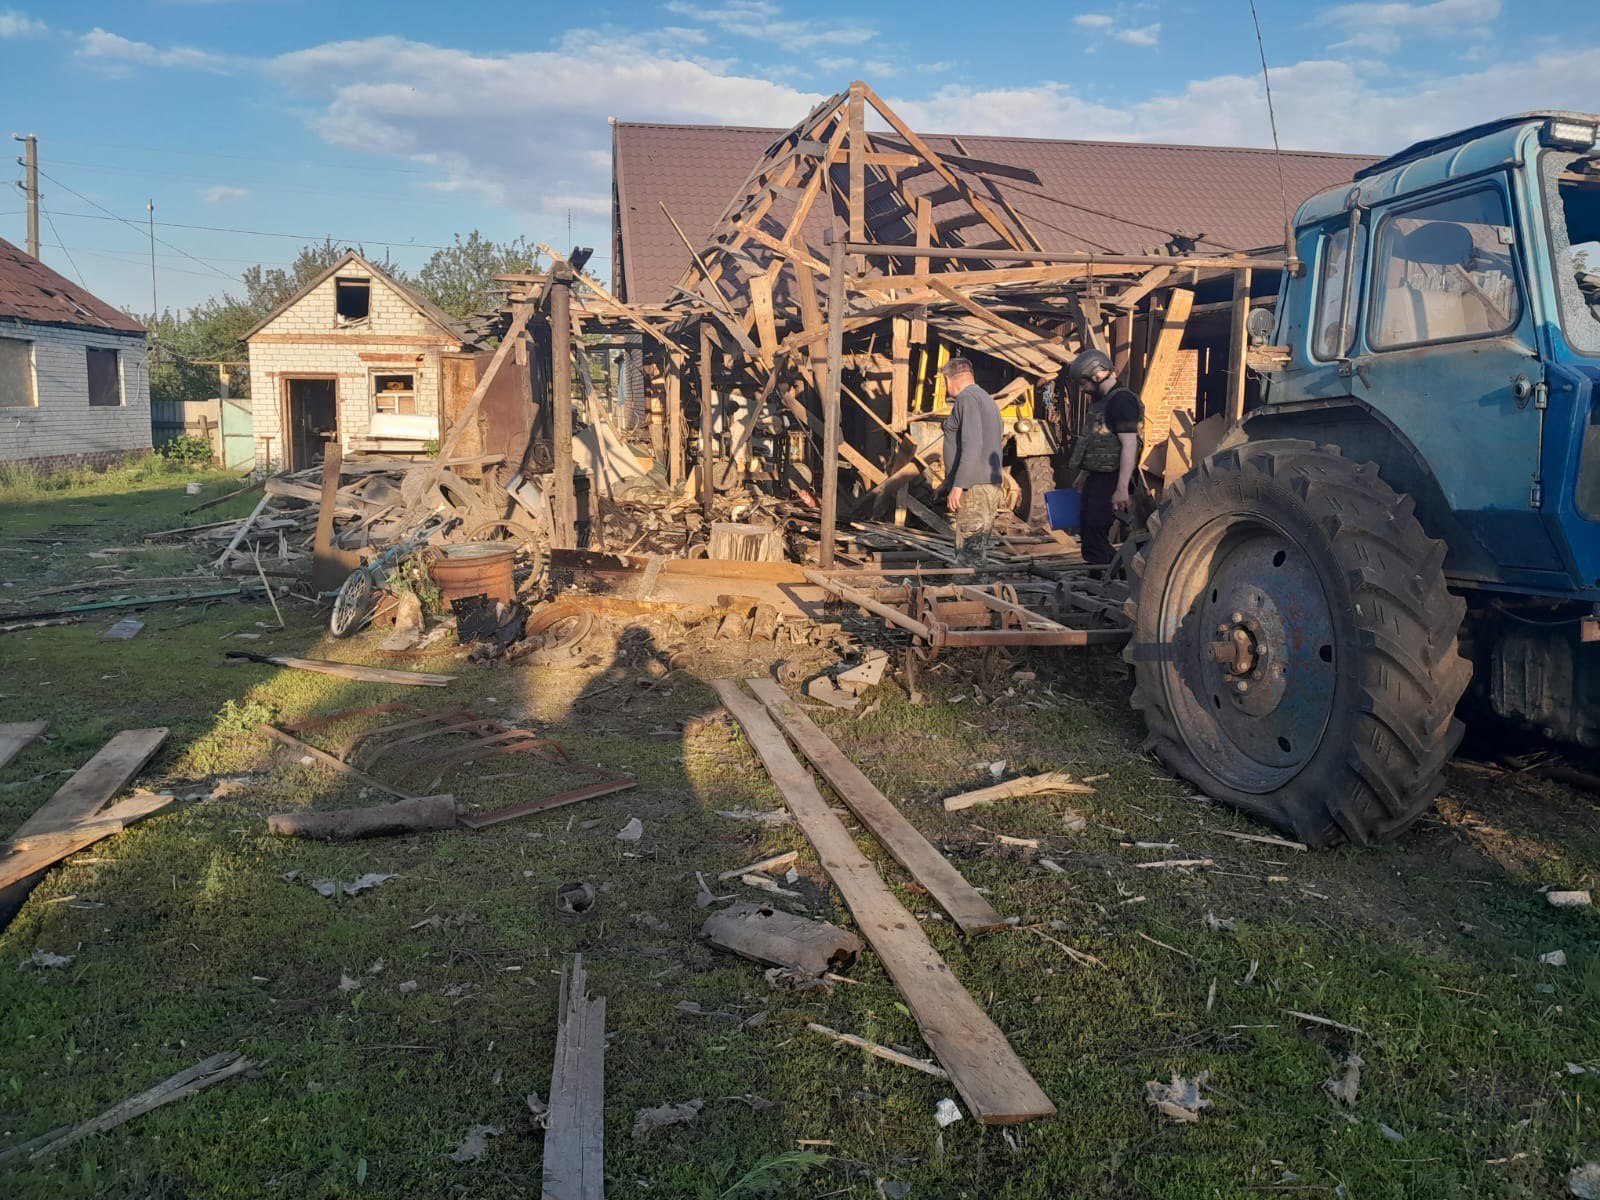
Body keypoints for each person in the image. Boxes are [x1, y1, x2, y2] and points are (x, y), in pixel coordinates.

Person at [1066, 348, 1142, 566]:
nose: (1082, 390)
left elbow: (1129, 445)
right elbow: (1097, 442)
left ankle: (1110, 579)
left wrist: (1122, 488)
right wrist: (1084, 473)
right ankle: (1099, 579)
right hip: (1097, 476)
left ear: (1097, 376)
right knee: (1089, 532)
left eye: (1083, 384)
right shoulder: (1102, 401)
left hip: (1112, 478)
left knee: (1096, 532)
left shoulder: (1122, 402)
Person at [939, 356, 1004, 564]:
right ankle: (980, 594)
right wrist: (949, 482)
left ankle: (968, 595)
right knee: (976, 553)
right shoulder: (986, 399)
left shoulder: (967, 399)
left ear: (948, 380)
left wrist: (959, 485)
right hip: (986, 485)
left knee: (968, 556)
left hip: (974, 488)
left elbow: (972, 444)